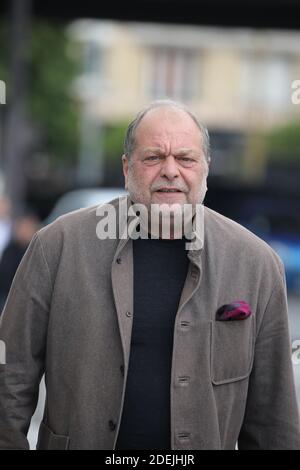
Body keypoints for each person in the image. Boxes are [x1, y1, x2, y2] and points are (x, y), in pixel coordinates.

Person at [0, 100, 300, 450]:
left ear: (206, 168)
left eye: (185, 158)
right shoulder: (58, 246)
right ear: (127, 168)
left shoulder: (256, 264)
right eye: (154, 157)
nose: (170, 171)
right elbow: (10, 376)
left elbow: (274, 419)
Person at [0, 212, 40, 312]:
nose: (24, 231)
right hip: (8, 294)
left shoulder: (37, 249)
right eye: (22, 227)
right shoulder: (10, 249)